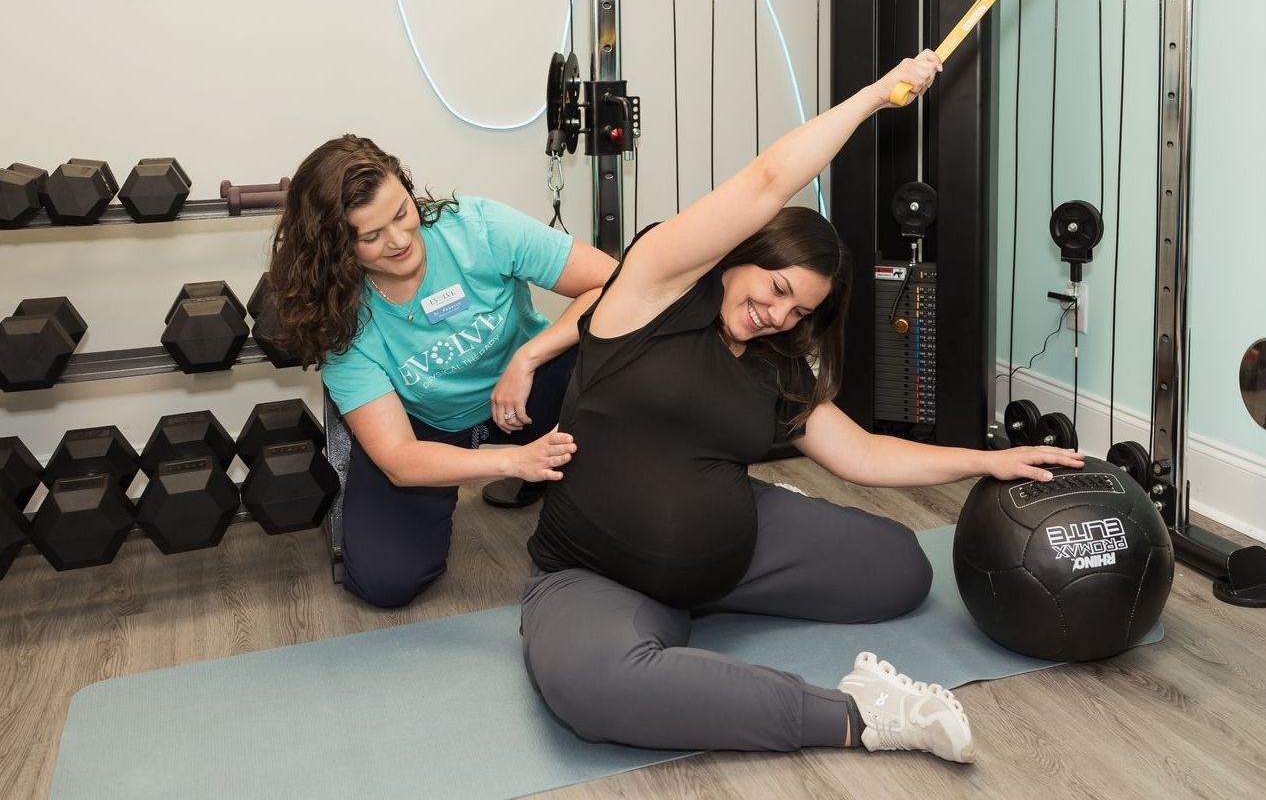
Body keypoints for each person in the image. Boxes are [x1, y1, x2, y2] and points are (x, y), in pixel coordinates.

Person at [520, 52, 1085, 761]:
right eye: (776, 285)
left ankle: (718, 543)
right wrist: (876, 95)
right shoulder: (649, 293)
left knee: (902, 569)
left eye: (800, 311)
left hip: (733, 556)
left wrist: (989, 457)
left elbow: (861, 453)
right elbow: (768, 180)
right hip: (595, 571)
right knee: (593, 690)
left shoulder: (771, 366)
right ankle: (861, 715)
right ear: (741, 255)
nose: (778, 314)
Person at [266, 135, 616, 609]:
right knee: (385, 580)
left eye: (401, 212)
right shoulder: (338, 321)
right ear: (336, 248)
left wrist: (528, 357)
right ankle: (515, 467)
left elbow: (611, 283)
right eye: (370, 236)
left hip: (526, 388)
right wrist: (511, 462)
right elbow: (398, 456)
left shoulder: (476, 227)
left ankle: (570, 471)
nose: (399, 240)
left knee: (614, 347)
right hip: (425, 428)